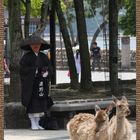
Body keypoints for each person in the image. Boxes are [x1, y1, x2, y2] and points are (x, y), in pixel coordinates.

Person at [19, 35, 53, 130]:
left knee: (41, 102)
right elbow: (22, 70)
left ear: (40, 45)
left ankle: (38, 122)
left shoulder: (43, 56)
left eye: (37, 44)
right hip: (31, 84)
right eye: (33, 44)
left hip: (42, 83)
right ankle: (32, 122)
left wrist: (47, 72)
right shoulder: (26, 57)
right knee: (32, 103)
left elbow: (50, 67)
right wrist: (35, 70)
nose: (35, 46)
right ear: (30, 46)